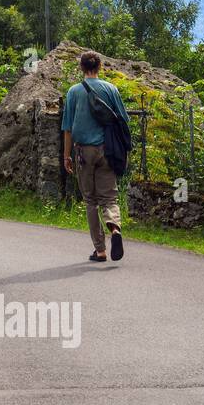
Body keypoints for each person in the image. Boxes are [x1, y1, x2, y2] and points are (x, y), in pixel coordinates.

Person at [61, 51, 131, 262]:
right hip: (108, 150)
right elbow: (123, 120)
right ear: (100, 67)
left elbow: (67, 128)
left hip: (83, 152)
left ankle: (100, 250)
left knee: (90, 201)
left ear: (81, 68)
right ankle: (115, 229)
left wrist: (67, 156)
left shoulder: (74, 92)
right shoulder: (111, 89)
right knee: (109, 197)